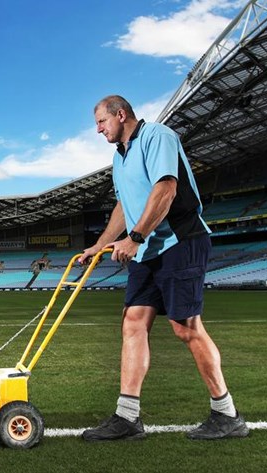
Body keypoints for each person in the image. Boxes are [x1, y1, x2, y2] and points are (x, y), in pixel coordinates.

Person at [77, 95, 248, 441]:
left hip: (180, 241)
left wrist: (136, 237)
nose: (98, 130)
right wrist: (100, 244)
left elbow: (166, 188)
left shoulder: (157, 137)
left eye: (101, 122)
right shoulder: (119, 157)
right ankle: (127, 418)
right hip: (147, 250)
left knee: (186, 328)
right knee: (133, 322)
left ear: (120, 115)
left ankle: (227, 414)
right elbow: (125, 206)